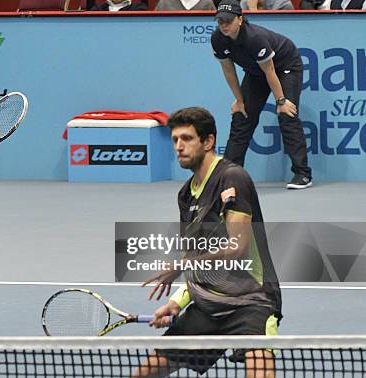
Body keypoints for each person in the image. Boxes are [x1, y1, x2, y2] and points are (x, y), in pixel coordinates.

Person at [135, 107, 282, 377]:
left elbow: (237, 247)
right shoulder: (185, 195)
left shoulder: (232, 178)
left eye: (187, 139)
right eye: (175, 139)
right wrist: (178, 301)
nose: (179, 146)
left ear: (208, 141)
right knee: (144, 373)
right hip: (208, 305)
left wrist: (179, 265)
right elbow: (198, 257)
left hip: (252, 302)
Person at [211, 0, 312, 189]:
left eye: (228, 20)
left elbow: (271, 71)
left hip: (285, 66)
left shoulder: (254, 38)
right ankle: (229, 175)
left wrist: (281, 101)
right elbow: (228, 71)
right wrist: (240, 101)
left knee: (286, 114)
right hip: (256, 72)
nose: (223, 25)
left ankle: (303, 174)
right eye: (220, 21)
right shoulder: (217, 38)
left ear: (240, 19)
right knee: (242, 116)